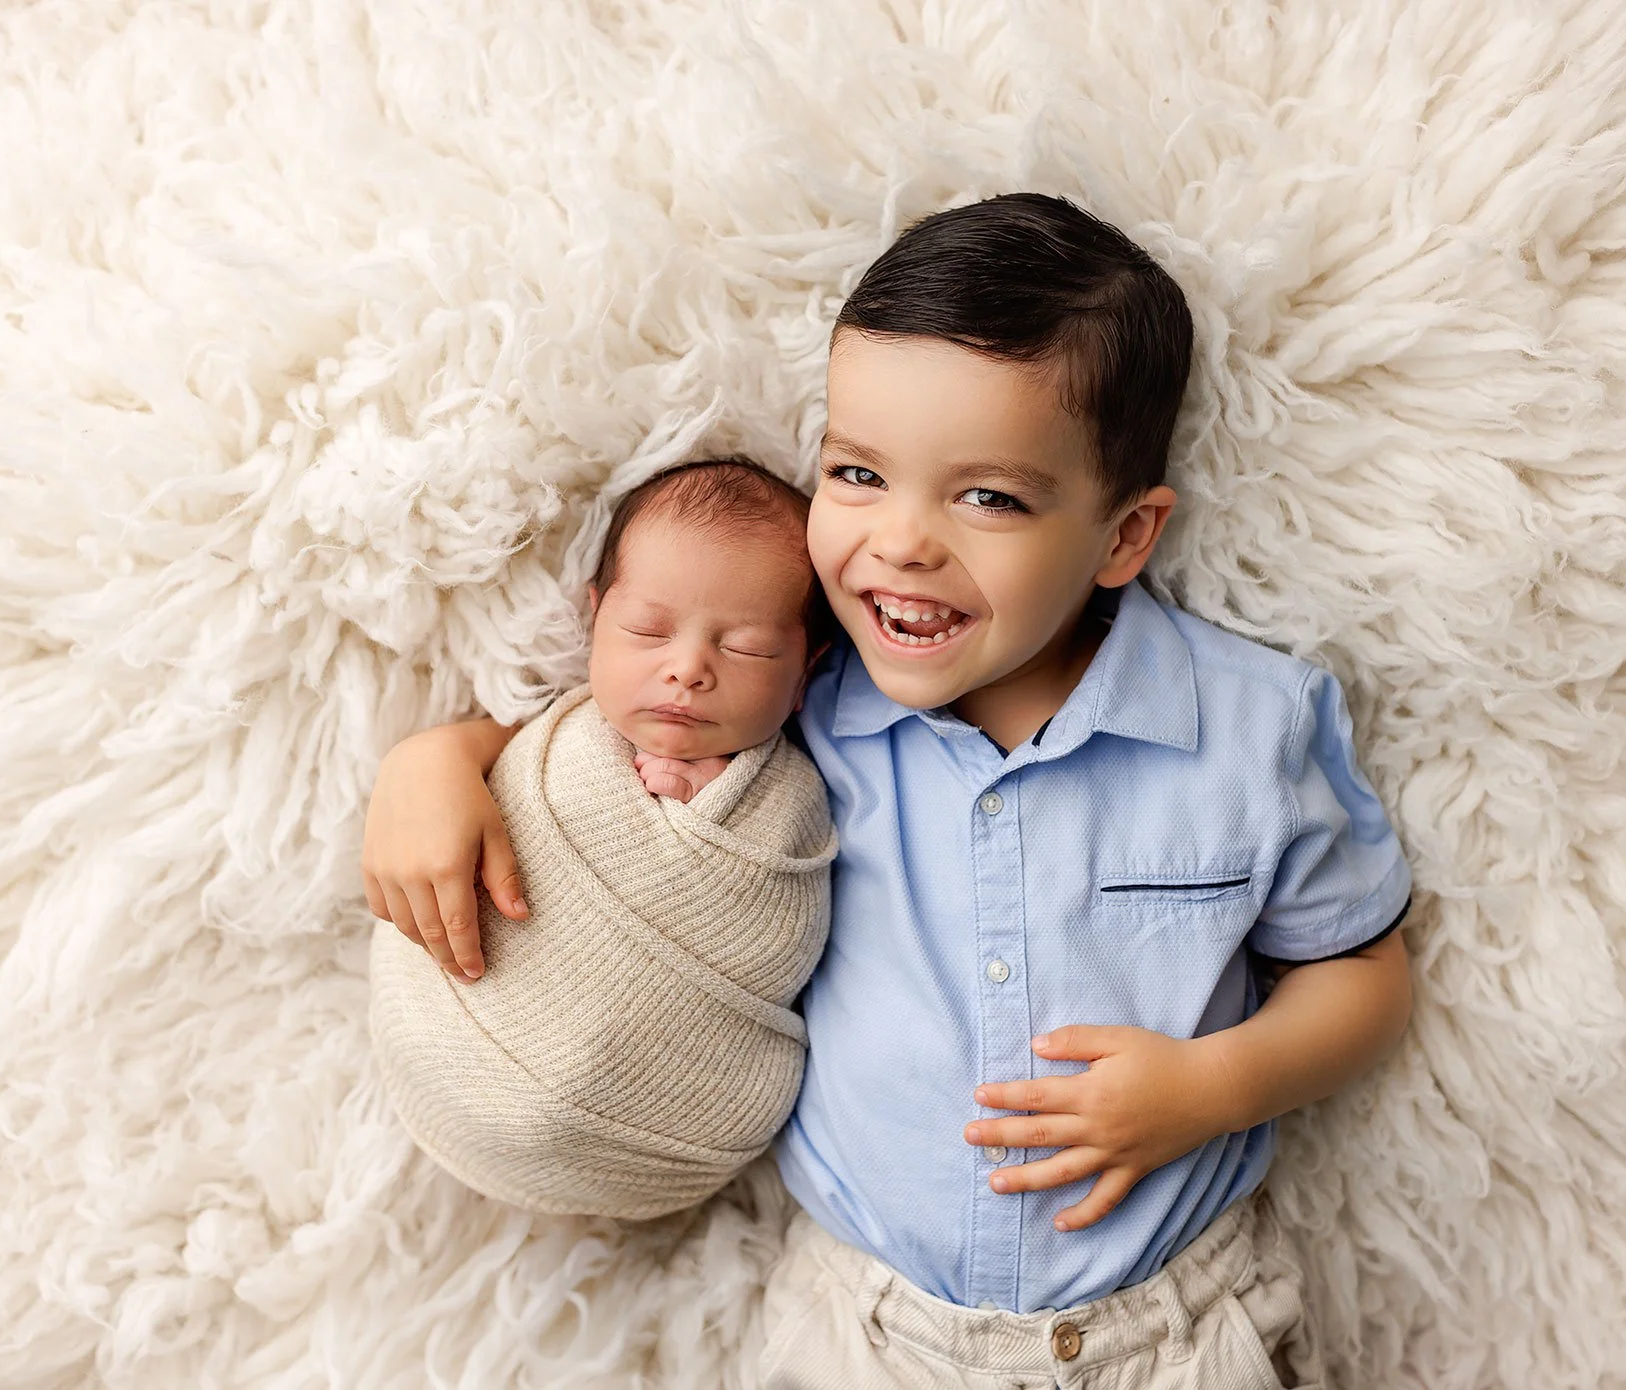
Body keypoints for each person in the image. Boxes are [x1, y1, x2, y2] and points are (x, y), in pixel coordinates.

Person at [363, 193, 1414, 1388]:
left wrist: (1211, 1085)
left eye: (987, 496)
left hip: (1167, 1331)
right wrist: (435, 761)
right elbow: (627, 707)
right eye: (857, 472)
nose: (900, 541)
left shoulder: (1246, 728)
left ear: (1124, 536)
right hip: (863, 1329)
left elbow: (1362, 973)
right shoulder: (803, 693)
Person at [366, 460, 837, 1221]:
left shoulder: (795, 805)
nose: (687, 669)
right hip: (446, 1042)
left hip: (661, 1129)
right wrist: (428, 758)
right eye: (648, 631)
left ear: (806, 669)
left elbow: (781, 939)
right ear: (594, 617)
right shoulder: (553, 741)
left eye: (747, 648)